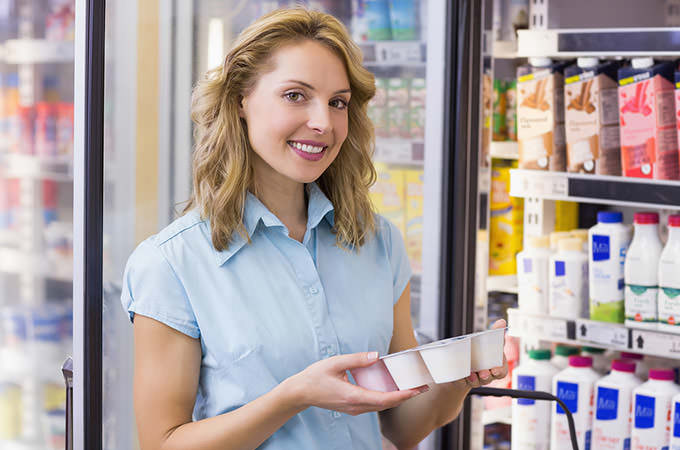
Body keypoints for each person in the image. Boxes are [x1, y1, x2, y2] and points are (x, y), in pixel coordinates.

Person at [121, 7, 507, 450]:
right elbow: (162, 443)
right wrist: (294, 396)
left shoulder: (377, 242)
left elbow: (399, 426)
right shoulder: (171, 264)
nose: (323, 122)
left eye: (337, 102)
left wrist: (457, 377)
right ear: (241, 100)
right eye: (295, 95)